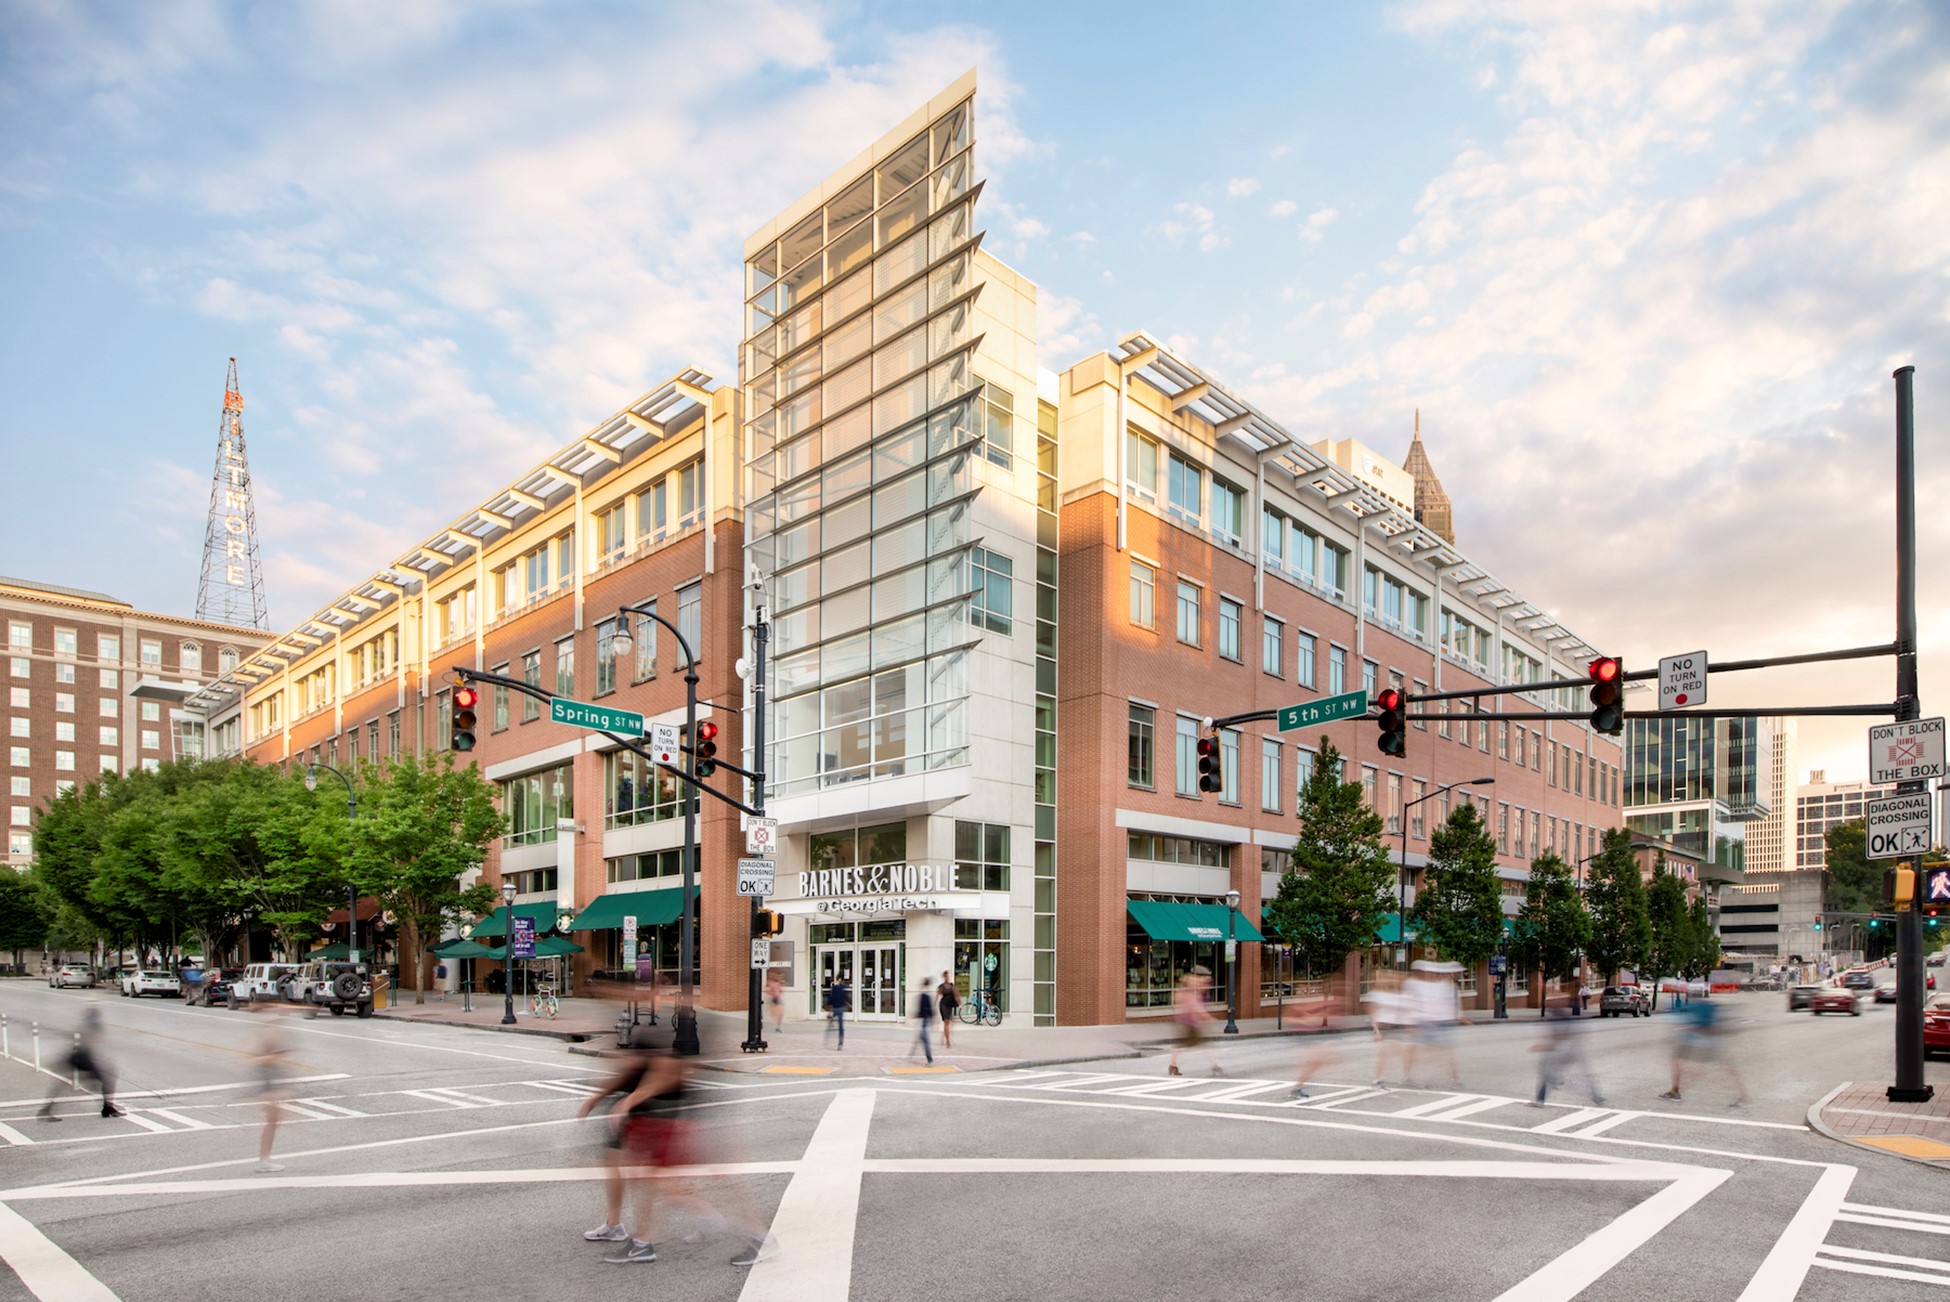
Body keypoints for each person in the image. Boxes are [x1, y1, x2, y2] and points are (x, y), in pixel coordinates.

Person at [1660, 993, 1750, 1107]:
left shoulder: (1693, 1006)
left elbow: (1682, 1019)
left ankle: (1675, 1092)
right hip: (1714, 1039)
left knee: (1678, 1060)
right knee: (1726, 1067)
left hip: (1699, 1039)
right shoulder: (1711, 1006)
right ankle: (1743, 1096)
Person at [39, 1006, 121, 1120]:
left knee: (63, 1084)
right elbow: (91, 1040)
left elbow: (77, 1036)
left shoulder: (87, 1025)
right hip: (83, 1057)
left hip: (78, 1056)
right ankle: (107, 1107)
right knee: (108, 1078)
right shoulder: (93, 1026)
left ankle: (46, 1109)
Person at [1529, 993, 1604, 1107]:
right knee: (1584, 1075)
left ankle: (1543, 1096)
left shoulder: (1557, 1017)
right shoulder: (1565, 1016)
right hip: (1575, 1048)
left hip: (1564, 1050)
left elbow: (1557, 1038)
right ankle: (1597, 1097)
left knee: (1547, 1071)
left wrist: (1542, 1046)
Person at [250, 1003, 294, 1170]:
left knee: (274, 1121)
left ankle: (264, 1159)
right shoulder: (266, 1033)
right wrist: (277, 1055)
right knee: (272, 1121)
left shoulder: (268, 1032)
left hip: (271, 1080)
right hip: (268, 1081)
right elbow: (257, 1059)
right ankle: (263, 1161)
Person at [1167, 968, 1218, 1077]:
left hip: (1185, 1023)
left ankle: (1173, 1065)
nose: (1196, 983)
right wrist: (1208, 1018)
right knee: (1204, 1045)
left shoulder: (1180, 993)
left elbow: (1178, 1007)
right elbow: (1197, 1008)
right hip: (1191, 1025)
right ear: (1188, 983)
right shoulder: (1189, 995)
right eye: (1193, 982)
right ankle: (1214, 1065)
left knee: (1181, 1045)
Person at [911, 977, 935, 1064]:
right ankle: (912, 1054)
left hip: (923, 1019)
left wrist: (916, 1015)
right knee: (921, 1037)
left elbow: (923, 1009)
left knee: (925, 1040)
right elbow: (930, 1010)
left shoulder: (923, 996)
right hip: (925, 1019)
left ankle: (929, 1059)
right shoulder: (927, 995)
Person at [824, 974, 850, 1049]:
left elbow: (831, 999)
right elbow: (846, 997)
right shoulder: (843, 988)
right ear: (841, 979)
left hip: (835, 1008)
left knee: (831, 1022)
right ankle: (840, 1043)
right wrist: (847, 1005)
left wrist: (828, 1009)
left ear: (836, 979)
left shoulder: (834, 988)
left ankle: (829, 1037)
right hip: (841, 1008)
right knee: (841, 1026)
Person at [936, 971, 960, 1049]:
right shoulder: (941, 986)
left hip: (950, 1005)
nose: (947, 977)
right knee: (946, 1022)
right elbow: (937, 996)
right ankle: (948, 1040)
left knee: (948, 1023)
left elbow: (957, 995)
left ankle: (944, 1036)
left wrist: (960, 1004)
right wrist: (933, 1005)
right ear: (944, 977)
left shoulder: (952, 986)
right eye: (945, 976)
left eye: (948, 976)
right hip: (943, 1005)